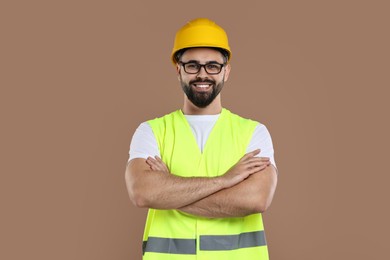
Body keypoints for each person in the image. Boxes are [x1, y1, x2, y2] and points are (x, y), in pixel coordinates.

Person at [125, 18, 278, 260]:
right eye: (193, 66)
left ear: (226, 71)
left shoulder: (254, 132)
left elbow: (256, 199)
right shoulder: (151, 131)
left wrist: (168, 190)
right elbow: (143, 192)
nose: (203, 74)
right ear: (179, 69)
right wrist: (224, 180)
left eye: (213, 66)